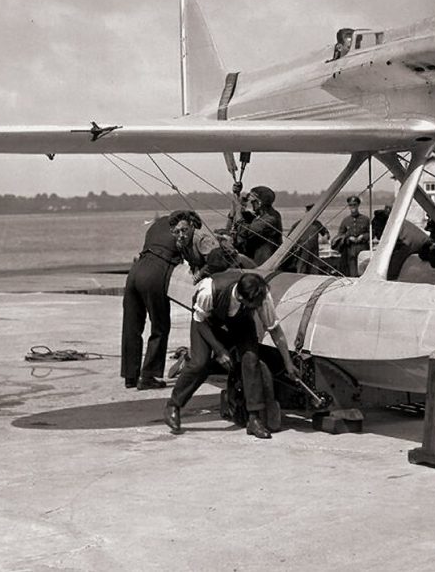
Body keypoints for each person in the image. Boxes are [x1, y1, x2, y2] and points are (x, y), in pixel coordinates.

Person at [164, 271, 300, 439]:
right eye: (255, 305)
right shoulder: (209, 289)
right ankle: (174, 404)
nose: (259, 307)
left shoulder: (261, 296)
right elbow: (199, 320)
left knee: (251, 360)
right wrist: (220, 350)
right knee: (200, 363)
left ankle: (254, 419)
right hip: (207, 324)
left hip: (240, 324)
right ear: (243, 299)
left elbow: (275, 330)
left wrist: (288, 363)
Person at [120, 214, 182, 390]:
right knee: (160, 326)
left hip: (135, 271)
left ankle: (130, 377)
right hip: (155, 273)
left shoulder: (155, 227)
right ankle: (148, 377)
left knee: (131, 325)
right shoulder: (183, 230)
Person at [370, 208, 430, 280]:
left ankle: (391, 278)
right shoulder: (396, 221)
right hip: (417, 242)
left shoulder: (393, 227)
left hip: (418, 244)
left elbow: (396, 248)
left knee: (394, 264)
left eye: (376, 230)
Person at [235, 185, 283, 266]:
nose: (250, 203)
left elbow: (245, 232)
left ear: (260, 203)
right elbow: (236, 219)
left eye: (253, 201)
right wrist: (237, 195)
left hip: (264, 265)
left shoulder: (271, 219)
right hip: (256, 262)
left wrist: (238, 211)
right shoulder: (260, 216)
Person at [333, 195, 370, 277]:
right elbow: (340, 235)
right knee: (352, 274)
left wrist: (363, 236)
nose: (353, 207)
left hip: (363, 249)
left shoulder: (365, 220)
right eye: (350, 205)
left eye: (354, 205)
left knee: (364, 272)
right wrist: (348, 238)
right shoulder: (346, 221)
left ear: (358, 205)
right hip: (350, 250)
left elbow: (372, 233)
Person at [285, 204, 328, 274]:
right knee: (301, 272)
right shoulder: (298, 224)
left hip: (314, 254)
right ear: (306, 212)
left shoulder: (317, 224)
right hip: (301, 254)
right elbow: (288, 239)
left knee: (314, 273)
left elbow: (325, 233)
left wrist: (325, 238)